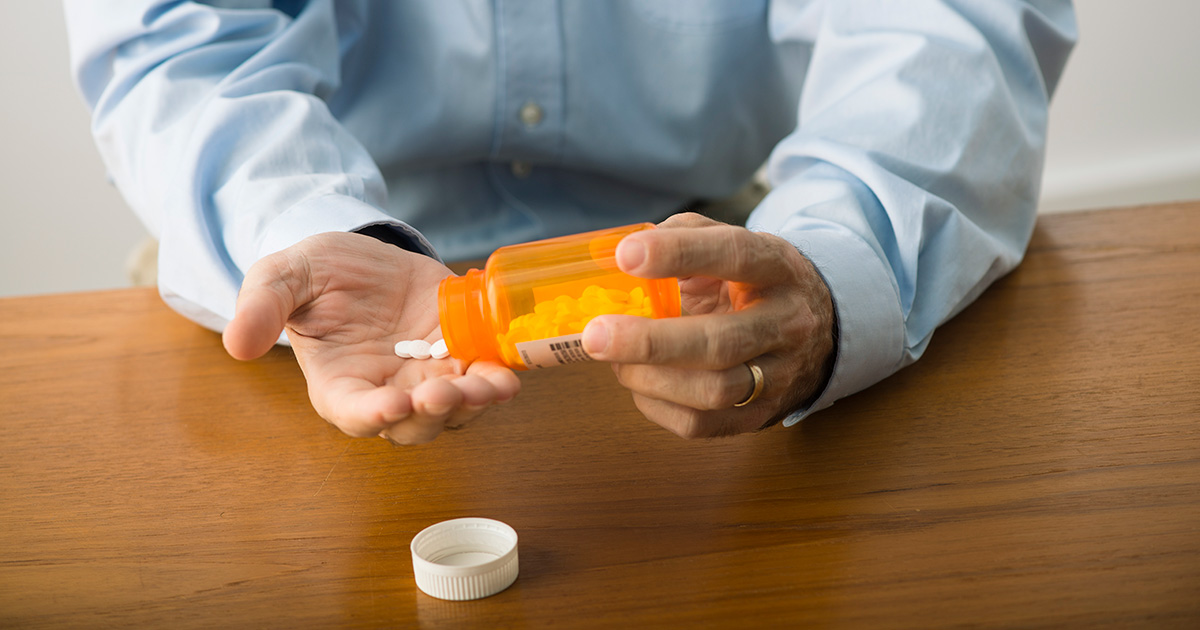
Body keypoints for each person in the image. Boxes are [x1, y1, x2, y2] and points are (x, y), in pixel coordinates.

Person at [64, 1, 1076, 444]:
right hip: (280, 260)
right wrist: (300, 225)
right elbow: (172, 45)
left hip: (701, 260)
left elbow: (948, 27)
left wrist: (828, 270)